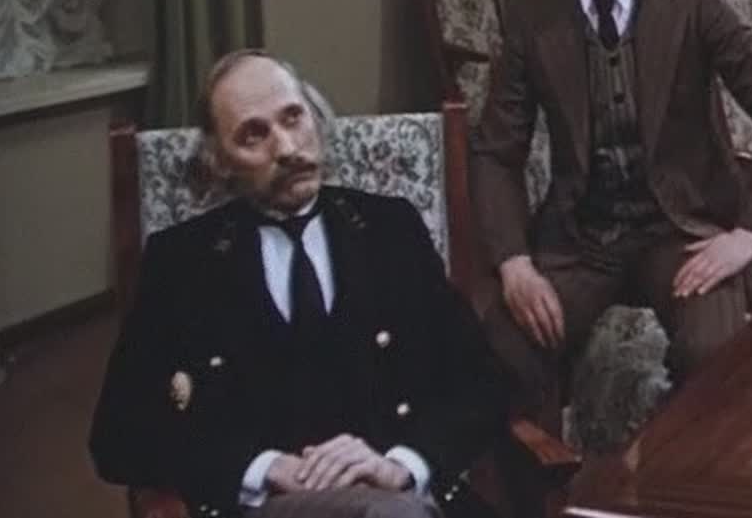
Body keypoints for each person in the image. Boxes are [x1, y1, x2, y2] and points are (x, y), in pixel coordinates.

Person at [471, 0, 752, 427]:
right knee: (502, 342)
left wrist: (751, 231)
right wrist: (515, 263)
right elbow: (496, 151)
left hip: (684, 231)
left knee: (713, 352)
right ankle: (556, 473)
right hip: (582, 240)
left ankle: (679, 477)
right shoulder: (532, 16)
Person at [90, 50, 509, 518]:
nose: (287, 148)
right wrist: (259, 468)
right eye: (254, 134)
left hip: (402, 497)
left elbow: (483, 384)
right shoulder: (183, 262)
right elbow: (118, 435)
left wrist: (402, 464)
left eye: (293, 117)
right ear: (220, 161)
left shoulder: (390, 229)